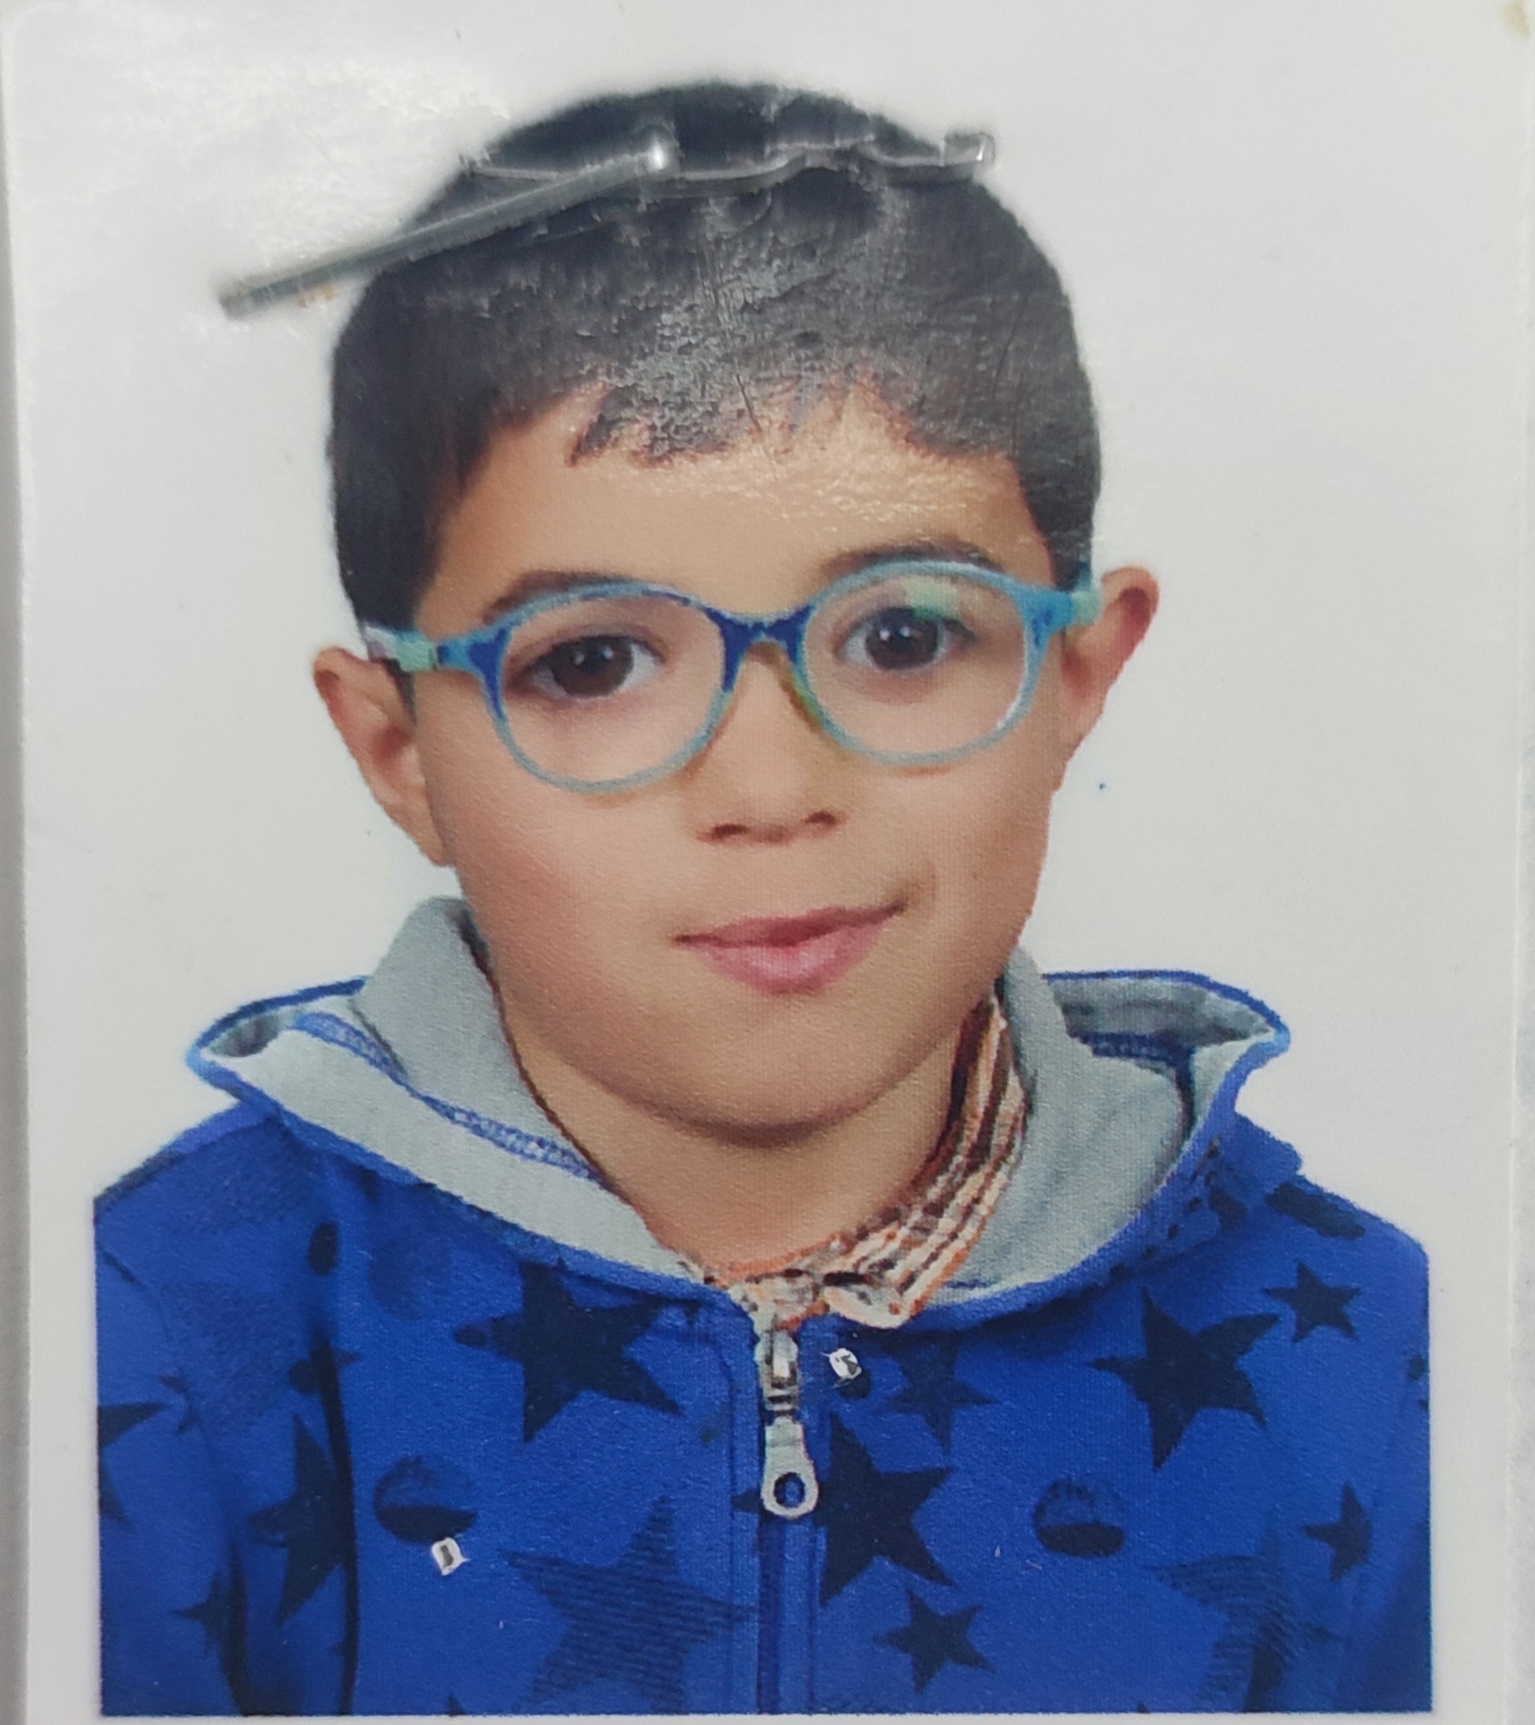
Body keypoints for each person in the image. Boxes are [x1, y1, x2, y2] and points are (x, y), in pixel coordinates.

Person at [95, 81, 1429, 1715]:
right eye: (595, 661)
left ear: (1078, 675)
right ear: (398, 752)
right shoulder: (150, 1345)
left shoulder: (1369, 1359)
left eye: (903, 636)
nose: (773, 786)